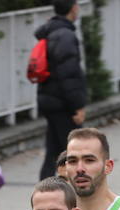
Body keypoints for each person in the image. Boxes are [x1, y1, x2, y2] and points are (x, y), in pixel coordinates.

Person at [35, 0, 88, 180]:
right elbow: (69, 74)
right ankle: (62, 192)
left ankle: (46, 189)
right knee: (73, 150)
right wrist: (77, 106)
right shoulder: (65, 35)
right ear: (73, 8)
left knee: (54, 150)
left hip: (50, 98)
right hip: (62, 102)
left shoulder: (51, 30)